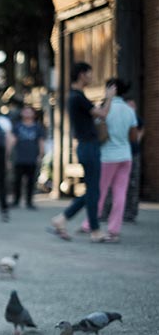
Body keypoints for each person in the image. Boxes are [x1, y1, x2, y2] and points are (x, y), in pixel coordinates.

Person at [50, 62, 115, 242]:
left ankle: (62, 219)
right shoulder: (77, 97)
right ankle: (94, 230)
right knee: (94, 191)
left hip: (87, 146)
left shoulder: (76, 96)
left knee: (93, 190)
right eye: (89, 74)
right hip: (89, 146)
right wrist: (109, 97)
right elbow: (102, 114)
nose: (91, 77)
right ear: (81, 75)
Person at [80, 79, 137, 240]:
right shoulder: (129, 110)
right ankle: (114, 229)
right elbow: (133, 136)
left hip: (107, 156)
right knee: (120, 193)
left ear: (110, 89)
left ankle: (89, 224)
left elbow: (96, 130)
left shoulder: (105, 109)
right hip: (125, 156)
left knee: (100, 191)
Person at [10, 106, 46, 210]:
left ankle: (29, 201)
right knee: (17, 180)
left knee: (31, 181)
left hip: (32, 158)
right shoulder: (17, 126)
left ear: (33, 114)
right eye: (25, 111)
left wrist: (41, 155)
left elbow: (41, 142)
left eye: (29, 112)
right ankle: (16, 200)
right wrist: (8, 155)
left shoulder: (37, 127)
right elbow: (13, 140)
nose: (27, 114)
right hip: (19, 157)